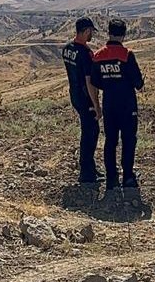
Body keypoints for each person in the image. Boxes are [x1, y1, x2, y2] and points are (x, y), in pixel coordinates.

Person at [90, 19, 145, 191]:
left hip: (109, 105)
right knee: (129, 141)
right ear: (123, 34)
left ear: (109, 33)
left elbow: (95, 81)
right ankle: (128, 176)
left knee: (110, 141)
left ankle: (111, 178)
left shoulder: (98, 55)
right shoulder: (127, 54)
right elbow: (138, 83)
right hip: (127, 106)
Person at [62, 17, 102, 183]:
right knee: (90, 133)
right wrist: (97, 106)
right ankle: (86, 173)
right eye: (91, 31)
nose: (92, 34)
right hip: (85, 99)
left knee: (90, 130)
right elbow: (89, 81)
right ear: (86, 31)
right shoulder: (86, 54)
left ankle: (90, 168)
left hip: (75, 95)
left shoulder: (67, 49)